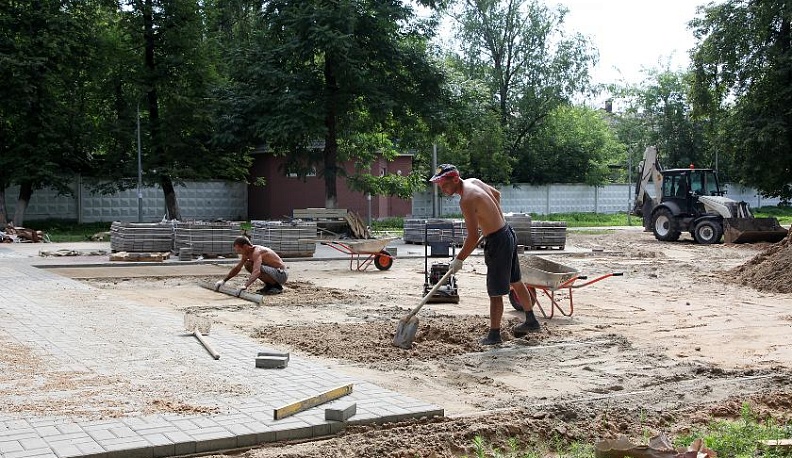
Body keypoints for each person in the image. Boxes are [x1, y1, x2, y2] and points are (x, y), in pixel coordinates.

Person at [429, 164, 540, 345]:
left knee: (495, 292)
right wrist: (493, 219)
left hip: (498, 242)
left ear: (455, 179)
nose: (441, 188)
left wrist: (459, 260)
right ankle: (531, 321)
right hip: (507, 233)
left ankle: (494, 335)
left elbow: (472, 237)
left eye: (443, 184)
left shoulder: (466, 200)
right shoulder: (473, 182)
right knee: (516, 281)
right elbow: (496, 195)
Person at [215, 236, 288, 295]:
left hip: (281, 274)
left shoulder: (257, 252)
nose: (239, 253)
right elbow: (238, 268)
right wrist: (224, 281)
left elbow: (257, 271)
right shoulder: (247, 253)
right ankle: (269, 285)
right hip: (273, 272)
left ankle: (277, 287)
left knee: (253, 266)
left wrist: (245, 286)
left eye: (239, 250)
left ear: (246, 246)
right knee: (248, 264)